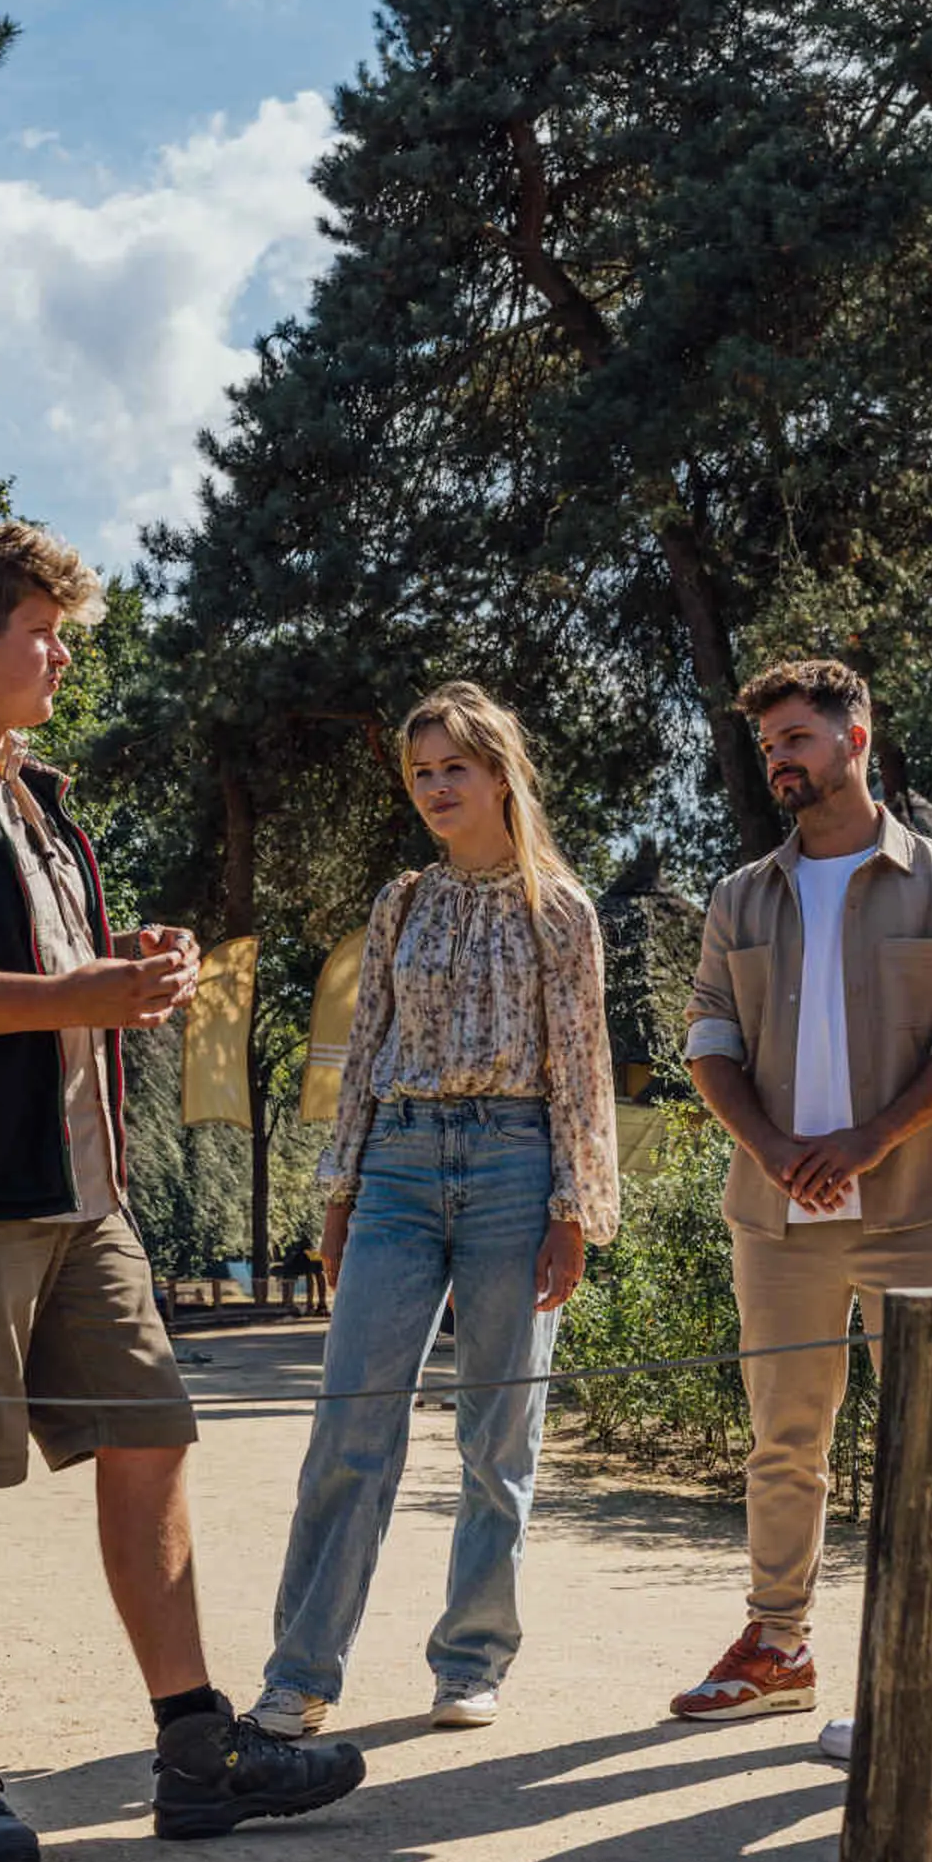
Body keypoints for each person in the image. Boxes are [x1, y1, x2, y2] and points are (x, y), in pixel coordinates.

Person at [0, 521, 367, 1862]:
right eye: (45, 632)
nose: (61, 656)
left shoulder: (36, 794)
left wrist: (126, 965)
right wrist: (74, 994)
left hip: (81, 1187)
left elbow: (43, 969)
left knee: (153, 1436)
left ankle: (196, 1747)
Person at [251, 685, 619, 1739]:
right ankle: (300, 1673)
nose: (436, 787)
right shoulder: (400, 902)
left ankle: (469, 1661)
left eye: (455, 766)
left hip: (516, 1164)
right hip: (400, 1169)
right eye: (420, 772)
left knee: (498, 1439)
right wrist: (340, 1192)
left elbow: (582, 1070)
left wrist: (574, 1209)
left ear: (502, 773)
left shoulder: (562, 910)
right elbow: (362, 1054)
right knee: (349, 1428)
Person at [660, 658, 932, 1733]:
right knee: (784, 1442)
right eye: (769, 745)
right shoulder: (739, 895)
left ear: (857, 739)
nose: (780, 759)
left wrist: (866, 1141)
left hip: (923, 1208)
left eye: (798, 740)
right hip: (776, 1217)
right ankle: (778, 1645)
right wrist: (770, 1146)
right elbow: (709, 1037)